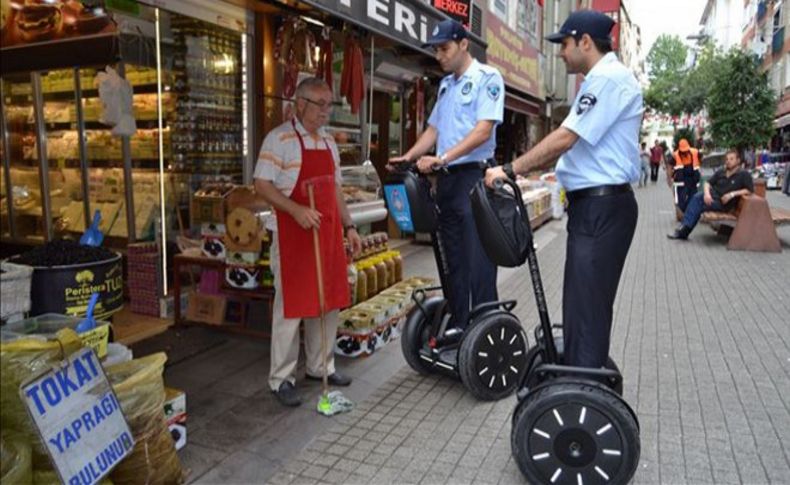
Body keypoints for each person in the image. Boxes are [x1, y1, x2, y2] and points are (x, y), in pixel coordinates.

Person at [485, 9, 641, 369]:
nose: (560, 53)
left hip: (603, 209)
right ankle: (579, 372)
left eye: (564, 44)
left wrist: (510, 169)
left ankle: (582, 390)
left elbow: (567, 137)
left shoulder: (608, 79)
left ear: (586, 42)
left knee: (587, 307)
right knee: (580, 304)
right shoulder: (600, 80)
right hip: (595, 206)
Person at [254, 77, 363, 407]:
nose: (326, 112)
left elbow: (336, 190)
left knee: (327, 303)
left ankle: (321, 366)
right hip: (292, 236)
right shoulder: (279, 139)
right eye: (320, 104)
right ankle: (281, 378)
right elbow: (261, 184)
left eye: (329, 105)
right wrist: (296, 209)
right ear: (299, 104)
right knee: (290, 308)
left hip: (326, 234)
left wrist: (350, 227)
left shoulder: (329, 143)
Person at [389, 19, 504, 329]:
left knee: (478, 262)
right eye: (436, 50)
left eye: (445, 48)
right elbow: (434, 129)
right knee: (452, 260)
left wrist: (441, 158)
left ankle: (484, 329)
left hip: (474, 179)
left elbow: (483, 131)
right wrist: (410, 155)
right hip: (449, 182)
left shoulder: (487, 78)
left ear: (463, 44)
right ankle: (459, 323)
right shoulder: (446, 84)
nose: (439, 55)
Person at [668, 149, 754, 240]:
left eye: (731, 159)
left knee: (697, 202)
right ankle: (684, 231)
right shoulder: (722, 171)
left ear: (738, 161)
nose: (728, 161)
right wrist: (707, 194)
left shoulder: (743, 174)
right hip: (712, 197)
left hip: (723, 203)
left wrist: (732, 194)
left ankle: (683, 231)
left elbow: (749, 190)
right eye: (727, 159)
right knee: (698, 199)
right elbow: (707, 183)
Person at [670, 138, 701, 212]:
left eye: (686, 150)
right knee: (681, 200)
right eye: (683, 151)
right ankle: (683, 211)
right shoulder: (675, 155)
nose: (685, 152)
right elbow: (670, 166)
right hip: (681, 180)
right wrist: (670, 177)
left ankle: (688, 213)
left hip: (693, 179)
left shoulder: (695, 152)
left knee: (693, 197)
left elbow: (700, 160)